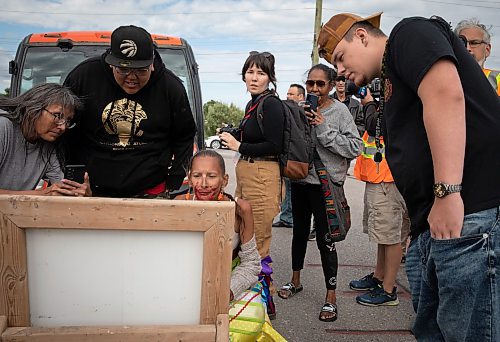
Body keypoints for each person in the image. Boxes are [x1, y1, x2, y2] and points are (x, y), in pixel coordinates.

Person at [318, 12, 500, 341]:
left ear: (361, 36)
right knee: (433, 332)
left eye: (340, 58)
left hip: (469, 213)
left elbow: (445, 94)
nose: (339, 71)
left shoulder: (408, 34)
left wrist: (448, 193)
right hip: (433, 225)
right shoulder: (391, 80)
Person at [64, 25, 197, 198]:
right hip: (90, 189)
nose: (132, 78)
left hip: (150, 190)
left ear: (152, 65)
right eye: (123, 69)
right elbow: (65, 130)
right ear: (111, 64)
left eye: (141, 71)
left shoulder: (170, 87)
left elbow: (185, 135)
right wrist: (70, 174)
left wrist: (175, 179)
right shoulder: (83, 77)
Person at [277, 64, 362, 322]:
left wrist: (324, 128)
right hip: (301, 182)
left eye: (320, 84)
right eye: (311, 83)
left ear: (330, 85)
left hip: (326, 186)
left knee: (326, 240)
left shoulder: (340, 111)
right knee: (299, 235)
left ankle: (331, 296)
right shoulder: (299, 110)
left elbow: (355, 147)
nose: (315, 89)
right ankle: (295, 281)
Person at [175, 150, 285, 341]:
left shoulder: (240, 210)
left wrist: (228, 291)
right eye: (197, 176)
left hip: (226, 280)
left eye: (211, 176)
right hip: (184, 282)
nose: (203, 183)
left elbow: (252, 264)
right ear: (189, 179)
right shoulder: (179, 206)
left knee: (252, 317)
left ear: (224, 180)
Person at [349, 88, 410, 306]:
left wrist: (368, 104)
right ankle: (379, 276)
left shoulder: (398, 101)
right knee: (381, 234)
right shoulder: (389, 101)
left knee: (391, 235)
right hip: (379, 177)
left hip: (389, 178)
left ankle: (388, 289)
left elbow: (375, 125)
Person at [0, 83, 91, 197]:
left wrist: (80, 194)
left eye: (68, 121)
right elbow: (45, 193)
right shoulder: (3, 127)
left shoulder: (48, 144)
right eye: (57, 116)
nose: (63, 127)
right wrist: (41, 194)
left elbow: (61, 187)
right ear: (33, 109)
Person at [272, 83, 305, 229]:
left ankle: (294, 219)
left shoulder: (304, 112)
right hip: (286, 155)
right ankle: (286, 217)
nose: (288, 97)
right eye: (287, 94)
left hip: (298, 157)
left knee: (297, 190)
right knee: (287, 188)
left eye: (291, 94)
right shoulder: (286, 111)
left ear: (300, 97)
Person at [454, 18, 500, 95]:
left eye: (474, 43)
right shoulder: (445, 78)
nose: (467, 48)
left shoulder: (497, 79)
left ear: (487, 49)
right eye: (462, 43)